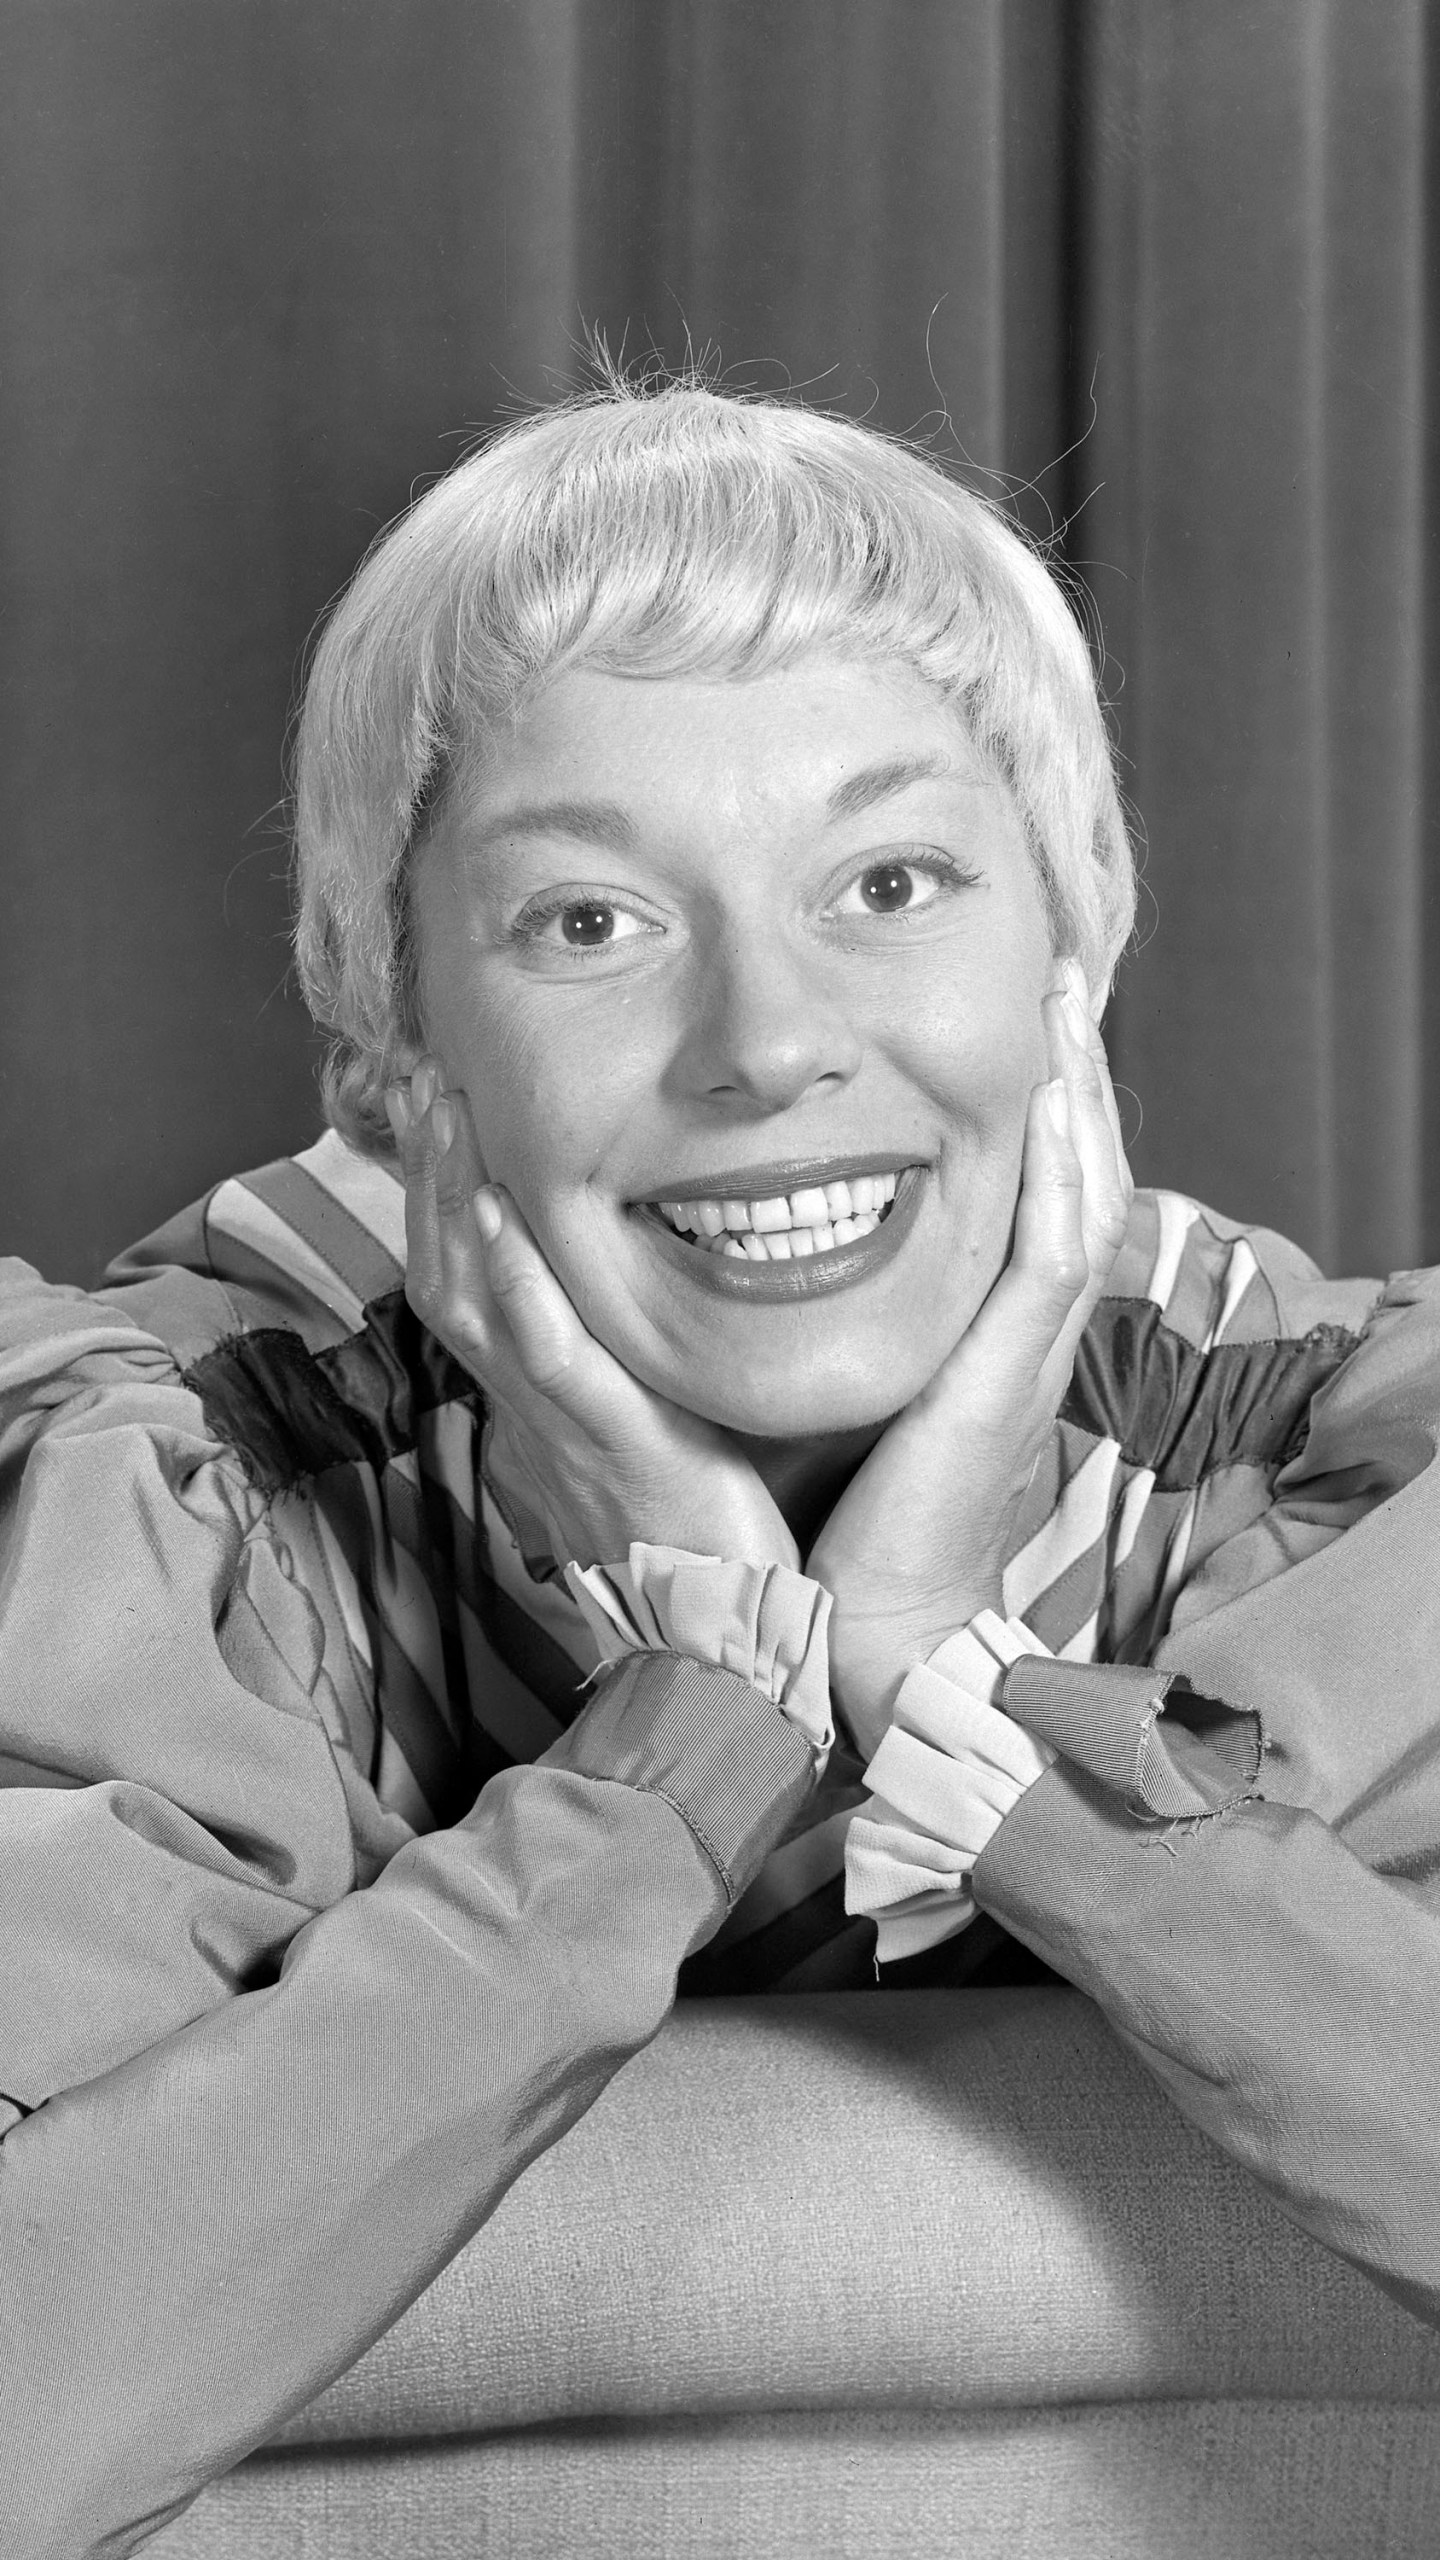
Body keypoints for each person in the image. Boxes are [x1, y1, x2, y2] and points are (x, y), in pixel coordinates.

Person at [3, 376, 1437, 2555]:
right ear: (389, 1047)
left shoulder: (1330, 1466)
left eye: (891, 877)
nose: (768, 1040)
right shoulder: (200, 1482)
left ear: (1079, 933)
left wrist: (967, 1708)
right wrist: (693, 1736)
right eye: (590, 921)